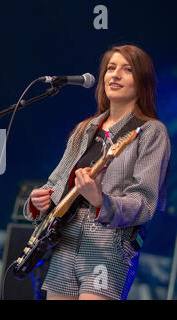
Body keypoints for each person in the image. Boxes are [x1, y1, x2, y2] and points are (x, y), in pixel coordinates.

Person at [23, 44, 170, 300]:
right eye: (110, 69)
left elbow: (145, 202)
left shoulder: (151, 132)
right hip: (64, 241)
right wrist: (39, 201)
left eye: (127, 70)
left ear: (143, 81)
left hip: (108, 246)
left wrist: (101, 200)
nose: (115, 75)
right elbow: (55, 181)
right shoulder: (86, 128)